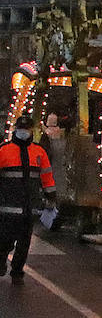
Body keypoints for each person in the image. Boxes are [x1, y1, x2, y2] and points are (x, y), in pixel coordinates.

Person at [0, 117, 57, 284]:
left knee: (24, 243)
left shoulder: (39, 152)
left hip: (29, 208)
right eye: (21, 128)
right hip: (7, 208)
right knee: (4, 241)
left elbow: (47, 177)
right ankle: (2, 263)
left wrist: (51, 197)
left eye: (26, 128)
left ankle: (17, 272)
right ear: (16, 129)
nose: (24, 131)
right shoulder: (4, 151)